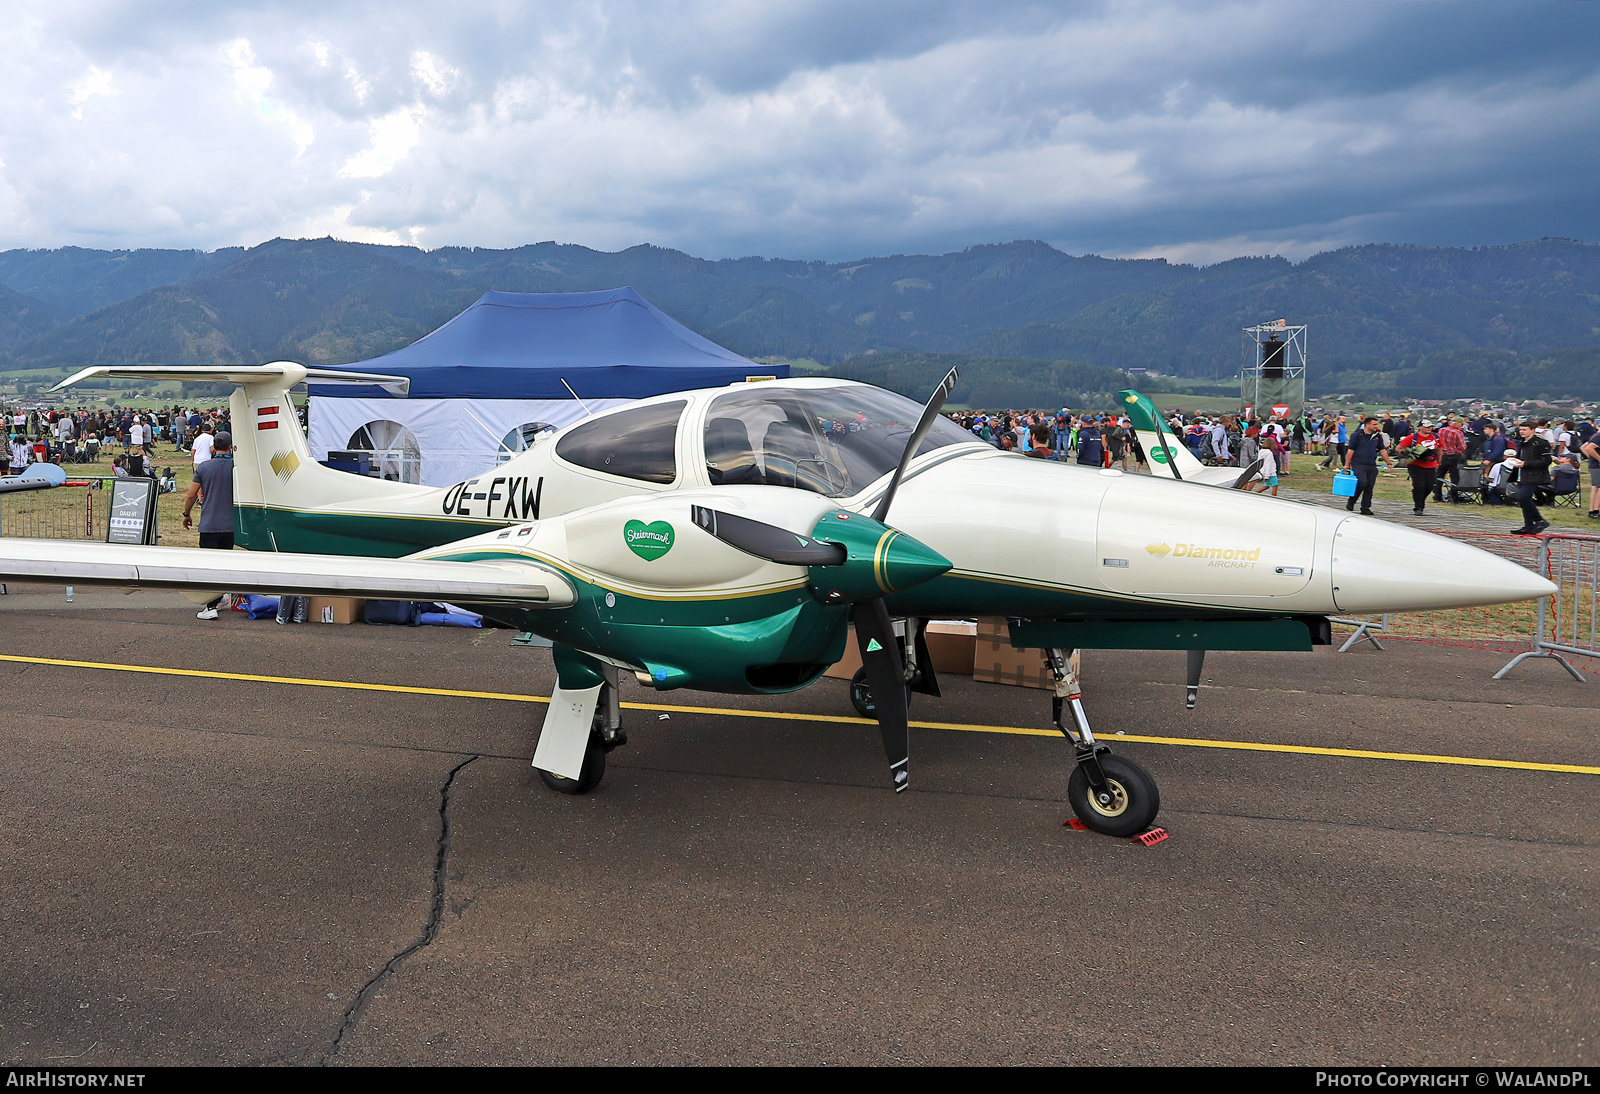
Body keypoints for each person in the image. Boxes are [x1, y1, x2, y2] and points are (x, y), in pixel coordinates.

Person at [184, 431, 236, 619]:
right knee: (224, 564)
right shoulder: (235, 467)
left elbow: (191, 494)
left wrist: (186, 514)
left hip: (209, 524)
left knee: (209, 566)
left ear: (213, 447)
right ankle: (221, 596)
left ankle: (211, 606)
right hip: (230, 525)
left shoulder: (204, 468)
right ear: (230, 447)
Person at [1504, 421, 1552, 536]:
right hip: (1522, 474)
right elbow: (1521, 458)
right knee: (1523, 499)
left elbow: (1546, 460)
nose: (1522, 432)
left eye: (1524, 430)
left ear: (1533, 430)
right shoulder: (1522, 443)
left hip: (1534, 475)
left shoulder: (1540, 443)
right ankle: (1528, 525)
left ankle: (1540, 520)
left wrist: (1526, 463)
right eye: (1520, 430)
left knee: (1523, 497)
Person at [1343, 417, 1393, 516]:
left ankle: (1365, 507)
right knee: (1362, 482)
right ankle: (1352, 500)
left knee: (1369, 486)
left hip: (1371, 464)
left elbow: (1382, 449)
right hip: (1358, 463)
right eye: (1374, 424)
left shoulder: (1377, 436)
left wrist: (1388, 463)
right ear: (1367, 425)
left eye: (1377, 424)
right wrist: (1347, 464)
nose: (1376, 426)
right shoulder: (1357, 435)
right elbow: (1350, 450)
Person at [1399, 421, 1439, 514]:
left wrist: (1439, 462)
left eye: (1430, 427)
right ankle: (1418, 507)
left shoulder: (1436, 437)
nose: (1429, 428)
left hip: (1431, 465)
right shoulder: (1413, 437)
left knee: (1430, 486)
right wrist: (1410, 454)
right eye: (1426, 427)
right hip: (1416, 465)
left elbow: (1439, 449)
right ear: (1420, 427)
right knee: (1419, 486)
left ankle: (1420, 500)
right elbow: (1399, 448)